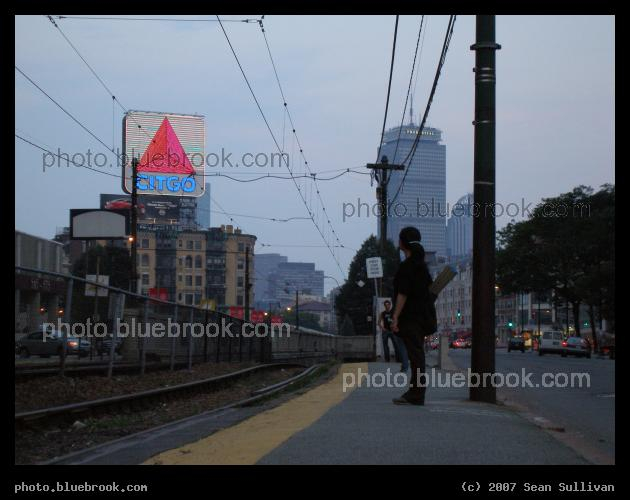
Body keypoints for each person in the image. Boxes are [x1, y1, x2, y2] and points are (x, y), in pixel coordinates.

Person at [391, 226, 437, 406]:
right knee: (417, 354)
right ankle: (416, 392)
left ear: (403, 243)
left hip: (410, 318)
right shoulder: (423, 268)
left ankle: (417, 394)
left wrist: (395, 317)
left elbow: (403, 294)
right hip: (423, 317)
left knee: (415, 355)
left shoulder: (406, 267)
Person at [379, 300, 409, 372]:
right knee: (385, 345)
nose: (387, 306)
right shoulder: (382, 313)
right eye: (386, 305)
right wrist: (383, 328)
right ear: (384, 306)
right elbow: (379, 322)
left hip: (393, 331)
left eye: (388, 305)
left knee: (396, 345)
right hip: (386, 331)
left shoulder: (393, 312)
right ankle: (387, 359)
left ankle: (398, 359)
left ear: (390, 305)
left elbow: (396, 319)